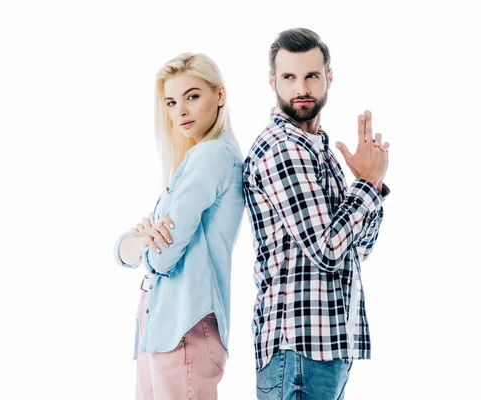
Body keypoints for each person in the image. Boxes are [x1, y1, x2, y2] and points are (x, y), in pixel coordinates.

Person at [243, 28, 391, 400]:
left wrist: (366, 184)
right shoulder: (281, 149)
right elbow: (328, 250)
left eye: (311, 75)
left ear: (328, 78)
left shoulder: (321, 149)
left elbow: (355, 251)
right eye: (289, 77)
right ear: (273, 82)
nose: (301, 88)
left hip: (330, 348)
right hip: (298, 351)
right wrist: (368, 185)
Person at [113, 52, 244, 400]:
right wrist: (141, 243)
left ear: (220, 95)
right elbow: (123, 251)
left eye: (193, 96)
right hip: (162, 329)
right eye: (171, 102)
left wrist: (144, 246)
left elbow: (162, 258)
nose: (180, 111)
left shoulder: (211, 155)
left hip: (184, 328)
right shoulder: (192, 160)